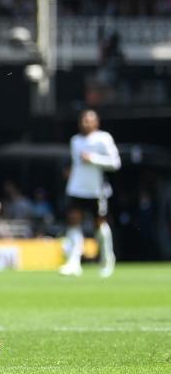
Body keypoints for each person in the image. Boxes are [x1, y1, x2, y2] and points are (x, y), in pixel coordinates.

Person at [61, 109, 120, 278]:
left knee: (99, 226)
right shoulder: (75, 140)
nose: (85, 123)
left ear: (96, 122)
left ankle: (107, 258)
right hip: (76, 188)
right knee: (73, 222)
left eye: (89, 120)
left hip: (96, 190)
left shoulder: (103, 138)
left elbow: (115, 163)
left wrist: (93, 159)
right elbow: (76, 164)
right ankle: (73, 262)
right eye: (83, 120)